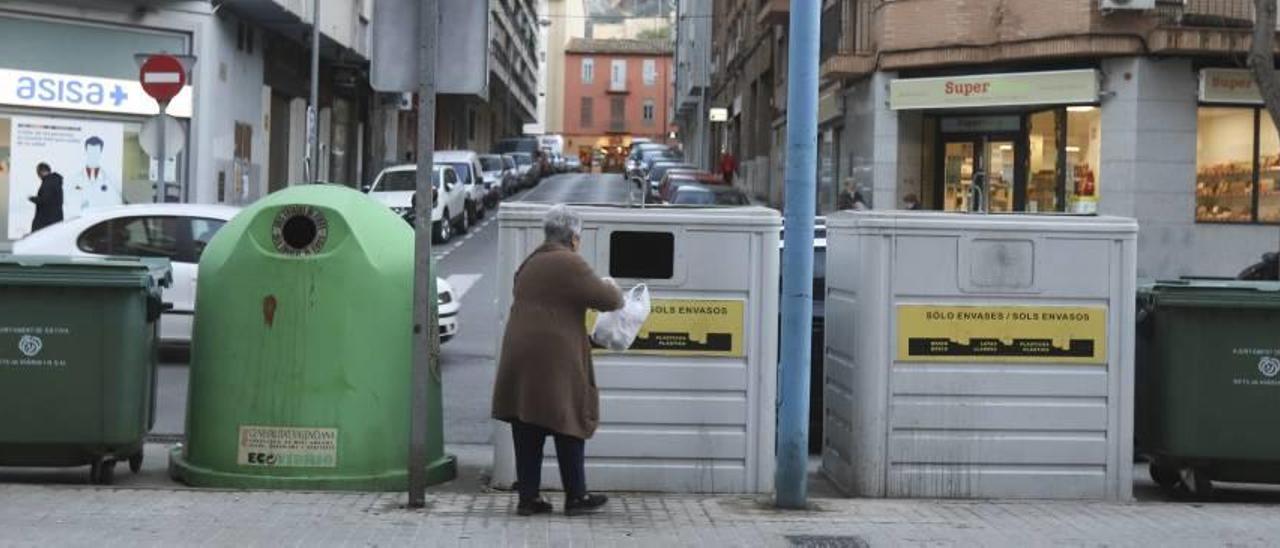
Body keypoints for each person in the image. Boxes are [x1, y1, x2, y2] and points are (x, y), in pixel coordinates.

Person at [491, 205, 624, 517]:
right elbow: (609, 300)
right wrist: (613, 287)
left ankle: (528, 498)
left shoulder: (531, 261)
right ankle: (576, 497)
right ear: (574, 237)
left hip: (520, 352)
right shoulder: (569, 262)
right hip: (555, 356)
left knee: (528, 421)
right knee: (569, 418)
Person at [73, 136, 121, 210]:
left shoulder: (112, 180)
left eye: (95, 152)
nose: (93, 156)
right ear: (86, 151)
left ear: (100, 152)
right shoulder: (74, 178)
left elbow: (115, 202)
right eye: (90, 152)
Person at [29, 162, 64, 232]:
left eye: (38, 172)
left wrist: (32, 199)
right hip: (55, 218)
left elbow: (44, 200)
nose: (38, 175)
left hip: (46, 220)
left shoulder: (48, 183)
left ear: (41, 172)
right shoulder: (55, 181)